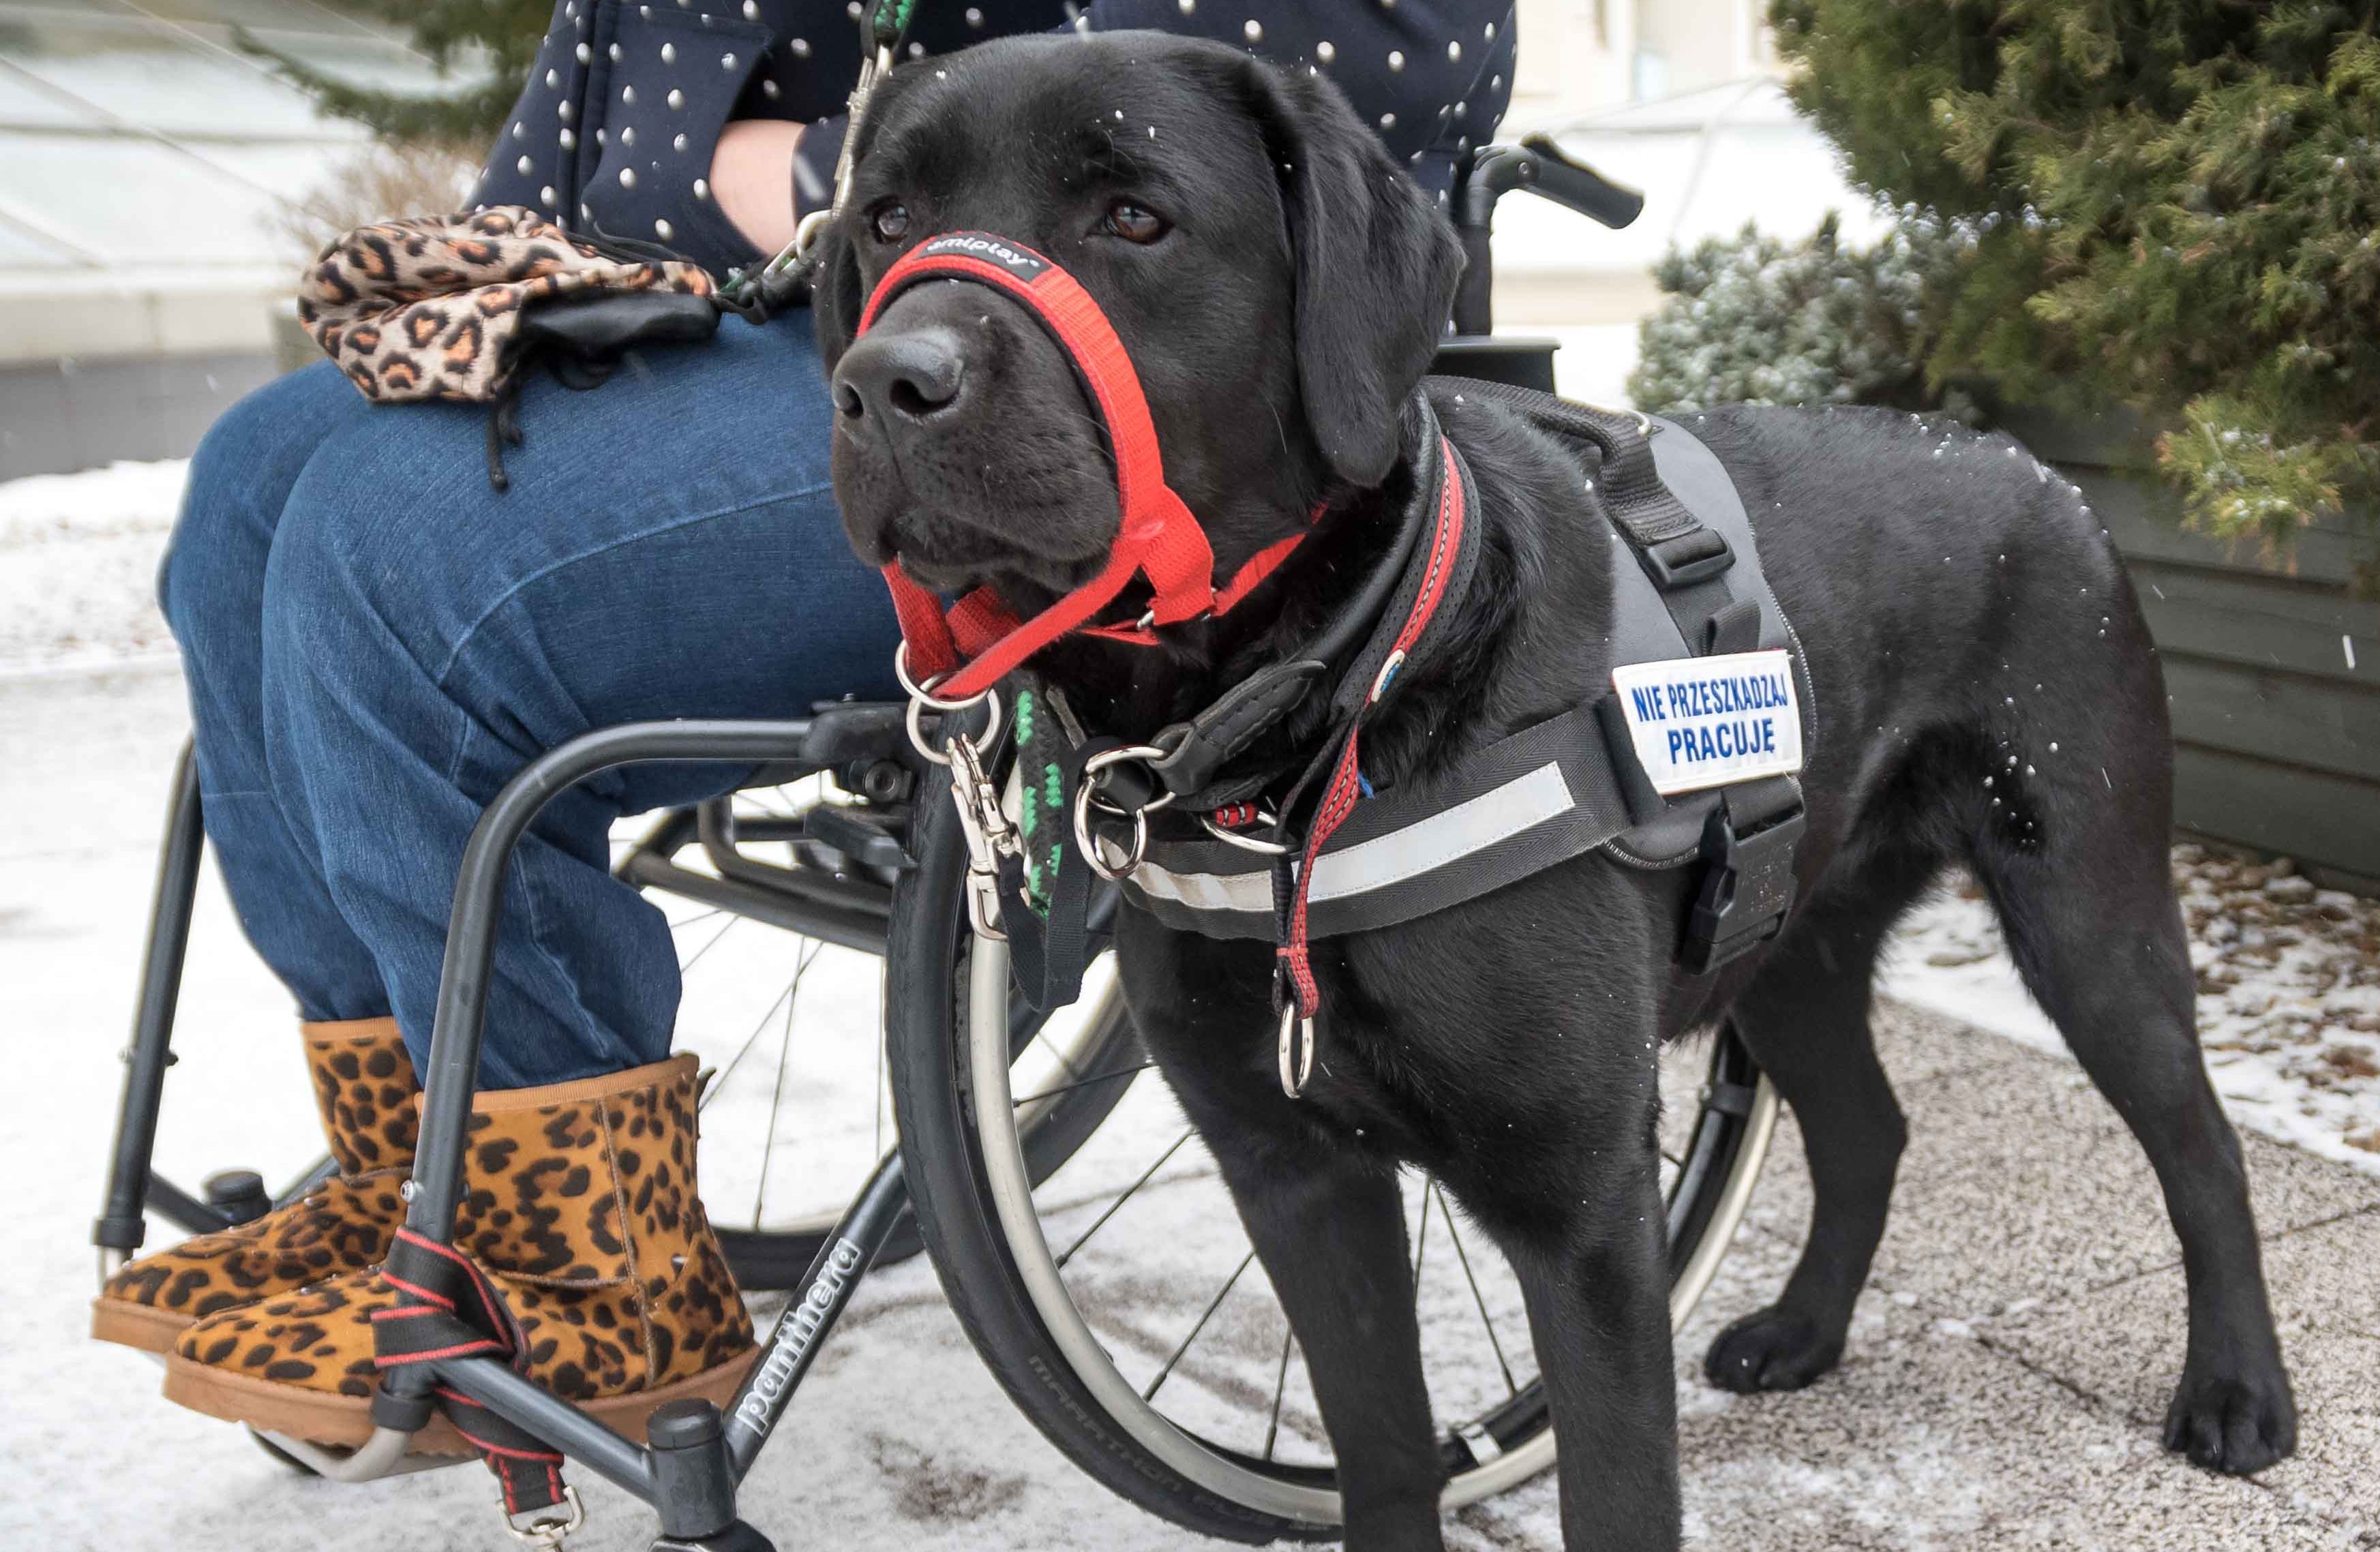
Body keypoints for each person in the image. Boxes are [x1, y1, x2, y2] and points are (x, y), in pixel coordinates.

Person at [95, 0, 1516, 1442]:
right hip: (805, 289)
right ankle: (419, 1167)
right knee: (252, 481)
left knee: (384, 548)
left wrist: (835, 176)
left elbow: (1356, 60)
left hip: (1083, 321)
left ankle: (587, 1275)